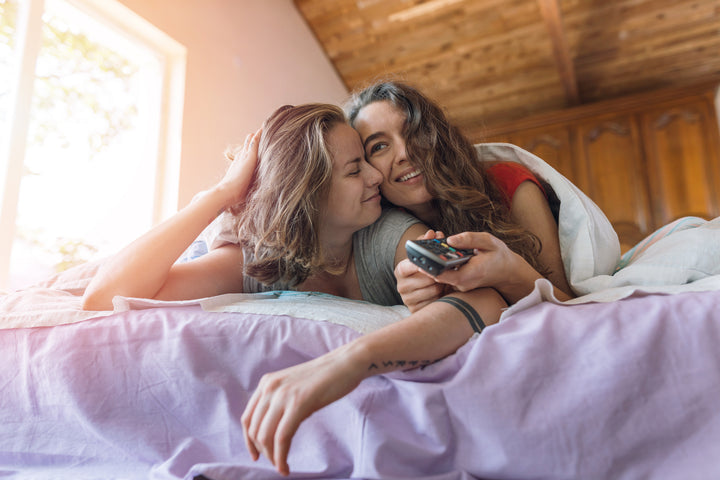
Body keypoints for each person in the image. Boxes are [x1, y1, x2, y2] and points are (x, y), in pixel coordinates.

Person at [81, 103, 508, 475]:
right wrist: (219, 194)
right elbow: (104, 296)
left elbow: (484, 297)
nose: (377, 175)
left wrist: (349, 361)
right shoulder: (260, 263)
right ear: (310, 193)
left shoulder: (390, 234)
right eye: (355, 168)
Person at [346, 80, 575, 311]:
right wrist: (422, 301)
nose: (405, 153)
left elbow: (571, 305)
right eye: (379, 147)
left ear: (438, 136)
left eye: (413, 132)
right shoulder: (387, 233)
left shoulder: (509, 183)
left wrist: (509, 272)